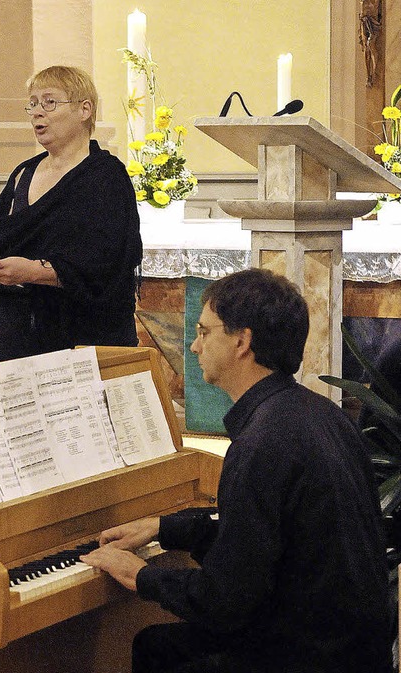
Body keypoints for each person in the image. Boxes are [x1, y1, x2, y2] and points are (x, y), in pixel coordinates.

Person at [81, 268, 393, 673]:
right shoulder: (322, 415)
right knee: (157, 645)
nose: (194, 346)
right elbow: (265, 541)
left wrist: (141, 575)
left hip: (308, 656)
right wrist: (165, 528)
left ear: (241, 341)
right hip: (354, 647)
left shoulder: (260, 444)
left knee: (163, 653)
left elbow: (224, 601)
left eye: (204, 332)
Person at [0, 65, 142, 362]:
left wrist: (34, 271)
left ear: (84, 110)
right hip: (20, 338)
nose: (38, 112)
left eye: (50, 102)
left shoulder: (105, 177)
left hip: (82, 340)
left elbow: (107, 263)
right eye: (34, 103)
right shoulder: (22, 174)